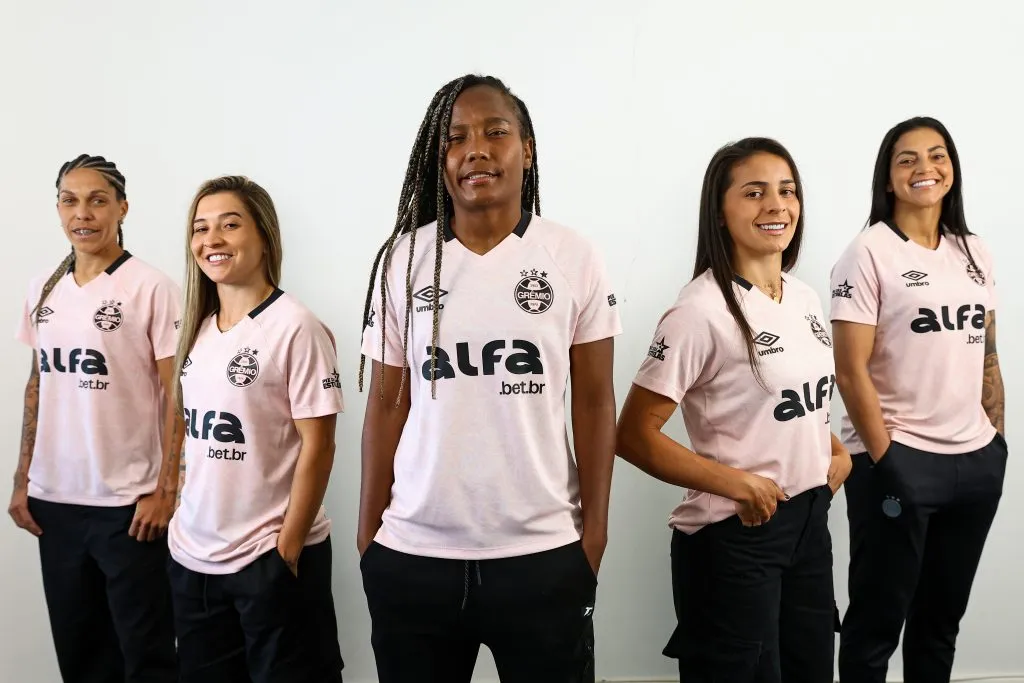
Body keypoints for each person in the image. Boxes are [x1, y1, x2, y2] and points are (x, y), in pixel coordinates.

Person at [357, 73, 621, 683]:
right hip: (414, 555)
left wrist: (595, 534)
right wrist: (370, 536)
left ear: (527, 149)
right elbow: (387, 404)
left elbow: (594, 399)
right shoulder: (403, 259)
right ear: (437, 158)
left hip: (542, 554)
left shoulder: (573, 256)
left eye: (495, 132)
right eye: (455, 138)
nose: (475, 148)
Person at [616, 138, 851, 683]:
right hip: (736, 535)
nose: (776, 205)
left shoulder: (804, 298)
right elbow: (633, 435)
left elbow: (794, 405)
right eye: (754, 193)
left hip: (808, 525)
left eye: (787, 191)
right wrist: (737, 484)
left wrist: (833, 449)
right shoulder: (699, 311)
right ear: (719, 213)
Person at [831, 117, 1006, 683]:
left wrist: (996, 441)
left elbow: (987, 351)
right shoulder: (867, 252)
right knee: (876, 625)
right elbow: (849, 368)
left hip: (975, 462)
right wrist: (887, 459)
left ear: (952, 170)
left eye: (936, 156)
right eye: (906, 159)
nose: (923, 168)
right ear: (887, 177)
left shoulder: (973, 251)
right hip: (897, 460)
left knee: (939, 624)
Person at [166, 175, 345, 683]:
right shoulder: (197, 327)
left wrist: (284, 552)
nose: (211, 239)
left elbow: (319, 446)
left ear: (264, 234)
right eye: (200, 228)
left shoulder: (296, 327)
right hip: (194, 562)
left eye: (229, 224)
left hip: (269, 559)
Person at [8, 154, 180, 682]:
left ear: (122, 207)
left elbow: (178, 394)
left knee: (145, 655)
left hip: (128, 505)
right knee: (80, 655)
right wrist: (22, 478)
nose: (83, 212)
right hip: (55, 503)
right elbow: (39, 381)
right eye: (70, 200)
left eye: (97, 200)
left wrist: (166, 488)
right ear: (58, 208)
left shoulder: (151, 287)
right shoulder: (44, 287)